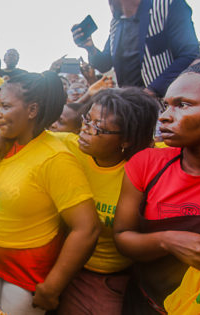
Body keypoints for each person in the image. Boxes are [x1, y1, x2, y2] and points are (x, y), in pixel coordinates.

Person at [0, 71, 101, 314]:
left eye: (5, 106)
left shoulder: (55, 159)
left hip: (28, 272)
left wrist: (53, 286)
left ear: (32, 110)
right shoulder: (12, 143)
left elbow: (87, 228)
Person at [113, 57, 200, 314]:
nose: (164, 117)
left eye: (182, 105)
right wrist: (168, 241)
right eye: (165, 105)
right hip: (144, 304)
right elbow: (122, 237)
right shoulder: (147, 163)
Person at [52, 88, 159, 314]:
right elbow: (23, 131)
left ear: (127, 139)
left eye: (97, 128)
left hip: (110, 280)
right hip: (62, 266)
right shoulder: (68, 148)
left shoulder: (147, 167)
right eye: (86, 120)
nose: (84, 130)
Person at [72, 0, 199, 97]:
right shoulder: (116, 23)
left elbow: (189, 55)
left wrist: (152, 91)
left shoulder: (168, 5)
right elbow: (105, 64)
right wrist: (90, 48)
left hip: (163, 104)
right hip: (131, 109)